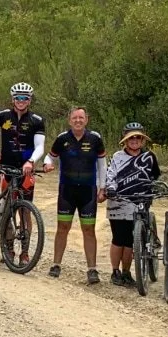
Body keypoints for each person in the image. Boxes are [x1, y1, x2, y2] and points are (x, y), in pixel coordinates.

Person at [0, 82, 47, 266]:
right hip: (7, 168)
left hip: (25, 170)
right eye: (18, 98)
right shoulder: (3, 116)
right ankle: (9, 248)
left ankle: (25, 251)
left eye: (25, 98)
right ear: (13, 99)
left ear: (29, 100)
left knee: (25, 210)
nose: (21, 101)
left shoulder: (36, 120)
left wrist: (30, 162)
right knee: (5, 207)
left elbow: (40, 147)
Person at [44, 107, 107, 284]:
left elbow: (102, 165)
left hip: (88, 192)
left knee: (89, 230)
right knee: (62, 228)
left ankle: (92, 269)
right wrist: (48, 164)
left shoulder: (95, 138)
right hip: (67, 191)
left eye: (81, 117)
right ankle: (56, 264)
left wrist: (103, 188)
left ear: (86, 119)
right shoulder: (62, 138)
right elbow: (50, 157)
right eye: (74, 118)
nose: (78, 120)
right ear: (69, 120)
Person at [103, 122, 160, 287]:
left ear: (142, 140)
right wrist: (111, 189)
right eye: (131, 137)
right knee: (118, 238)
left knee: (130, 240)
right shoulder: (117, 157)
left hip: (140, 202)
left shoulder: (149, 157)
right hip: (119, 201)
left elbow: (154, 176)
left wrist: (153, 188)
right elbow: (110, 175)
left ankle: (127, 272)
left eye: (138, 137)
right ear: (125, 140)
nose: (134, 140)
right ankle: (115, 271)